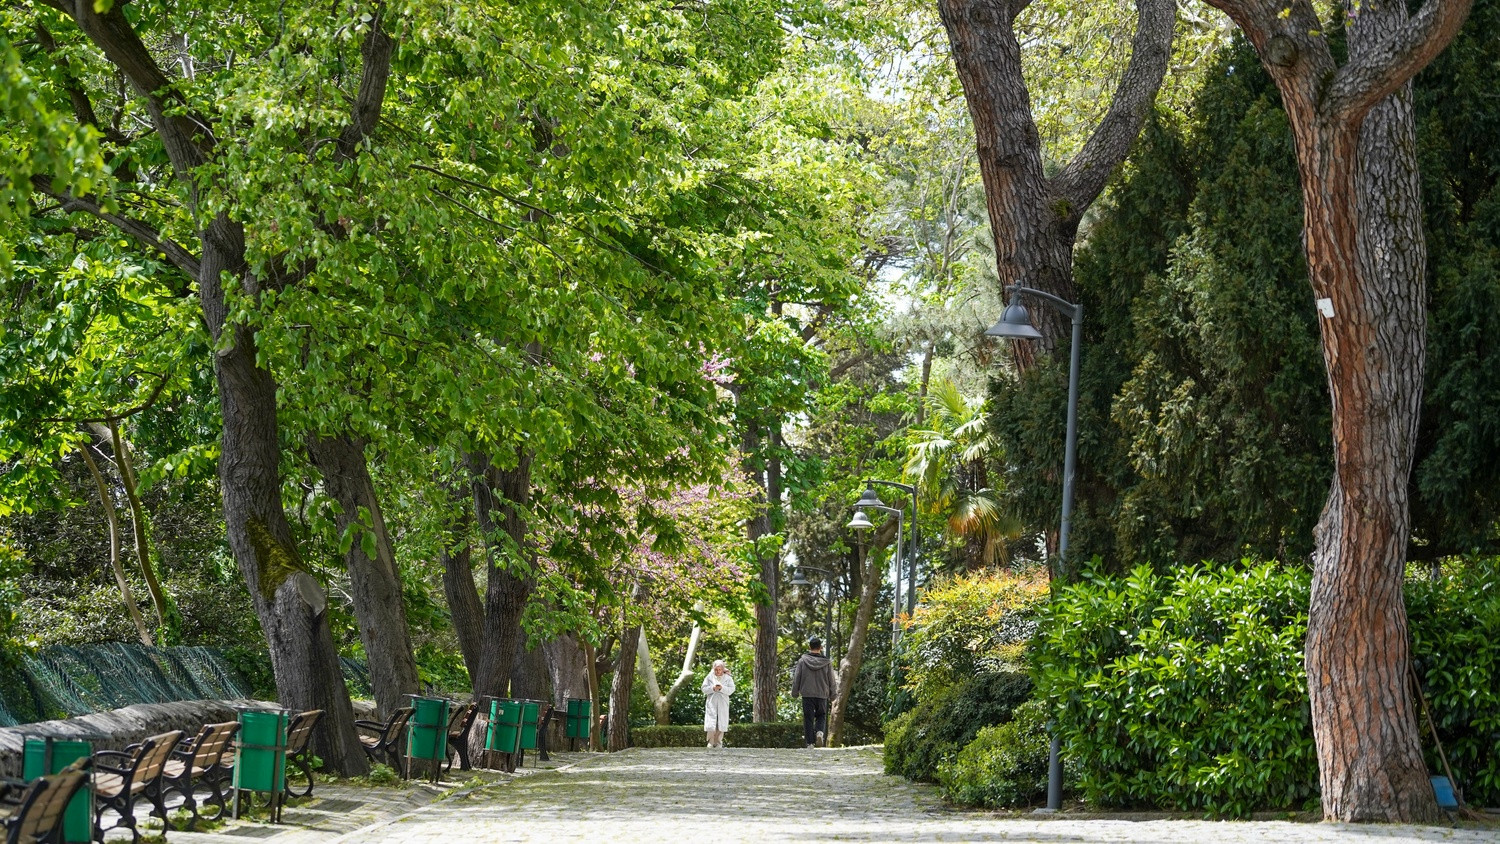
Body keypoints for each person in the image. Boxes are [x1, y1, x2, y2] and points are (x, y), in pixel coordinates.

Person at [790, 637, 835, 748]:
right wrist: (833, 694)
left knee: (808, 718)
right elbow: (831, 680)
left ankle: (810, 743)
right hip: (822, 694)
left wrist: (795, 692)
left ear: (810, 647)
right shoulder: (827, 663)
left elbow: (797, 678)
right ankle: (819, 732)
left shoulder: (802, 661)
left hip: (807, 694)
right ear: (820, 647)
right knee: (822, 715)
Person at [702, 659, 735, 748]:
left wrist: (722, 688)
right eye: (716, 669)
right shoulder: (709, 677)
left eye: (720, 669)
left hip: (722, 702)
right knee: (712, 723)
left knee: (721, 722)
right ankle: (711, 742)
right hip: (712, 702)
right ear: (714, 669)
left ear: (723, 669)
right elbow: (704, 689)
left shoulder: (728, 678)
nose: (718, 671)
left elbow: (731, 690)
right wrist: (712, 688)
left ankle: (719, 742)